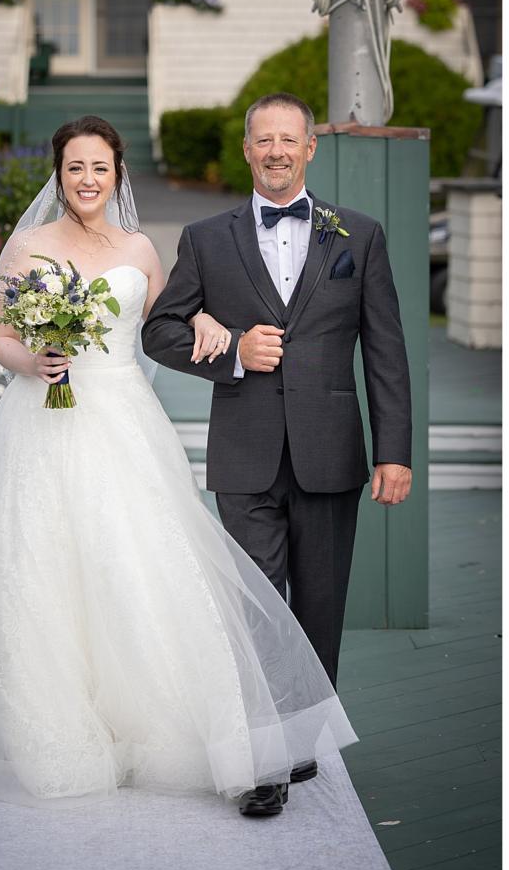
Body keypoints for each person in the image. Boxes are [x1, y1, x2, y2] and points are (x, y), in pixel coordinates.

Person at [0, 115, 357, 820]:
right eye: (75, 167)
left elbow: (171, 319)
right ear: (58, 172)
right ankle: (55, 728)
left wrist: (210, 329)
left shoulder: (141, 247)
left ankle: (176, 725)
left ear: (117, 174)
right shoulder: (28, 246)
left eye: (99, 168)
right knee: (46, 566)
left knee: (141, 563)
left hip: (125, 419)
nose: (87, 180)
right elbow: (2, 338)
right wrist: (34, 361)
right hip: (42, 422)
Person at [142, 93, 412, 814]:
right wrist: (232, 350)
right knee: (256, 609)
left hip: (331, 455)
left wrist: (394, 451)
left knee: (318, 609)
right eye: (263, 141)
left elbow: (385, 350)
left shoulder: (358, 234)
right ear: (245, 149)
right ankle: (261, 760)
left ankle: (299, 739)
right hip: (245, 453)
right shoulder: (205, 238)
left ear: (310, 148)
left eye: (287, 140)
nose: (275, 152)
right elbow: (160, 332)